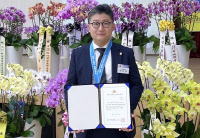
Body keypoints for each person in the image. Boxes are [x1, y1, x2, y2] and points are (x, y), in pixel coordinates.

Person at [64, 4, 144, 138]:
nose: (100, 28)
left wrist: (126, 110)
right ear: (89, 27)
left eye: (106, 23)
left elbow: (137, 85)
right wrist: (75, 114)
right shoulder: (78, 55)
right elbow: (69, 87)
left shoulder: (125, 53)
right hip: (87, 125)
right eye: (95, 23)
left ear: (113, 27)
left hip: (118, 126)